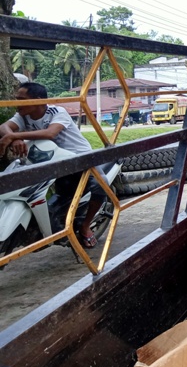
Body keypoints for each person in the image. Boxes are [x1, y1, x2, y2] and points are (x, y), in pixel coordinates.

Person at [0, 82, 107, 249]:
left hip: (79, 157)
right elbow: (4, 127)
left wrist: (14, 135)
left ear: (38, 100)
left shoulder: (57, 112)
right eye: (16, 99)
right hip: (50, 159)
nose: (17, 103)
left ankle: (85, 227)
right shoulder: (22, 115)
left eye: (22, 99)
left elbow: (50, 133)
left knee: (101, 186)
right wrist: (15, 137)